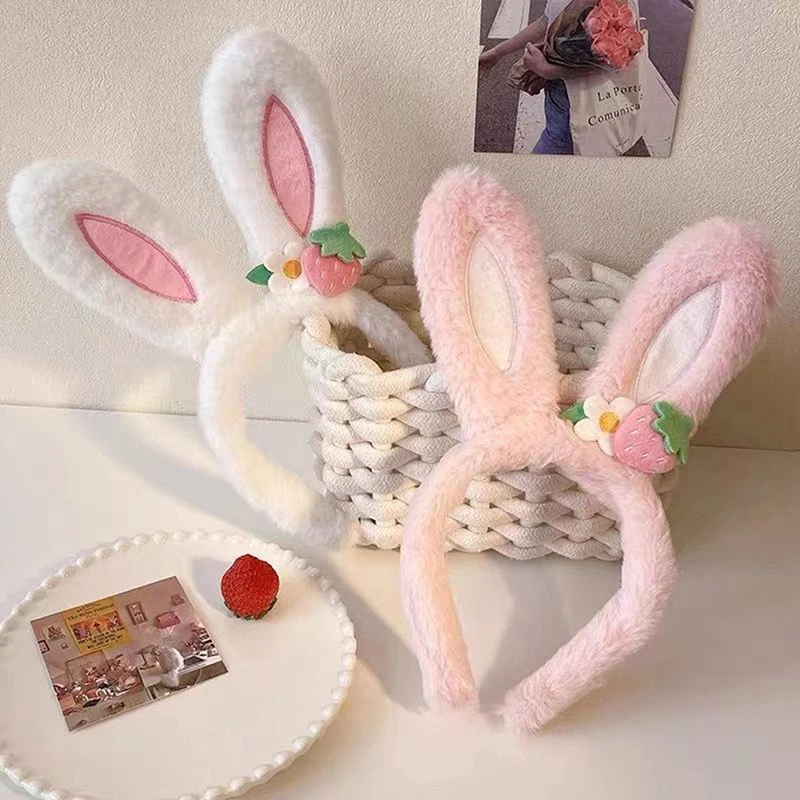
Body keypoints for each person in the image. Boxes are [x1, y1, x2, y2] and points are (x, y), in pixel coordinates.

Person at [479, 1, 604, 155]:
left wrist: (547, 70)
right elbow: (546, 21)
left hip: (577, 102)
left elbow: (619, 56)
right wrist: (497, 52)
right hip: (561, 97)